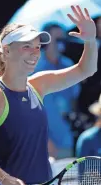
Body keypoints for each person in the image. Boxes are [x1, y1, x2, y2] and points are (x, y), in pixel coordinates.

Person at [0, 5, 97, 185]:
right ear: (6, 50)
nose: (35, 53)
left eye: (37, 47)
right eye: (27, 46)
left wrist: (90, 41)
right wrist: (5, 179)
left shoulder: (39, 85)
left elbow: (86, 69)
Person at [34, 23, 81, 158]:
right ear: (45, 42)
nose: (62, 43)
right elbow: (26, 109)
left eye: (63, 39)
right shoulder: (34, 67)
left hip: (66, 141)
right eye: (57, 39)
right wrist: (46, 140)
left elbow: (73, 100)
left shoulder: (68, 65)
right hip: (40, 143)